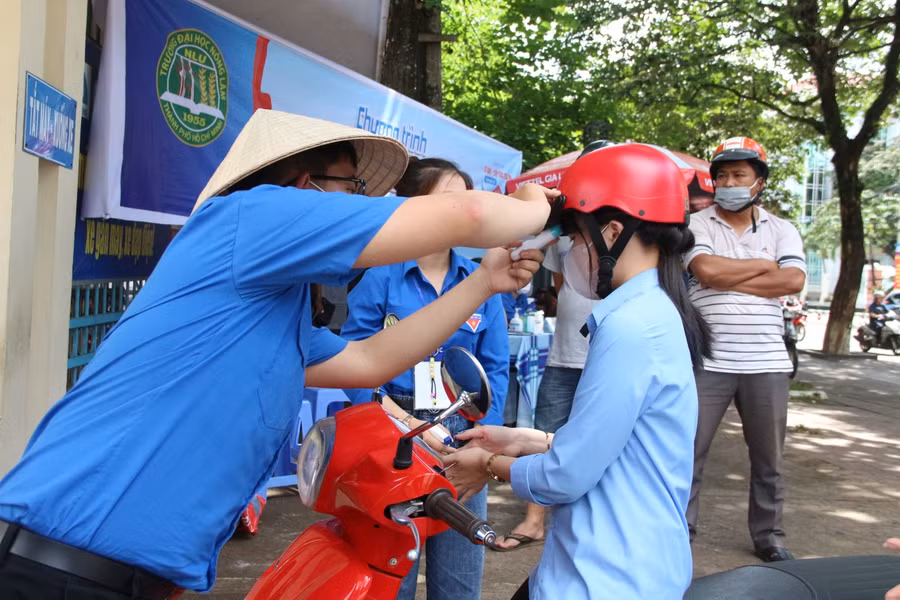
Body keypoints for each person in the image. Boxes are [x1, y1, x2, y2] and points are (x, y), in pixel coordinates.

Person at [0, 110, 554, 599]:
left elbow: (368, 362)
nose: (363, 205)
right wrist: (534, 201)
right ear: (303, 186)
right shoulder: (249, 216)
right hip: (54, 571)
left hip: (127, 576)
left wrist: (483, 283)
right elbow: (476, 218)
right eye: (354, 186)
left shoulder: (277, 303)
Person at [443, 143, 712, 599]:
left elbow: (567, 476)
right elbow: (623, 440)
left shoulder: (630, 327)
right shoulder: (655, 311)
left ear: (611, 232)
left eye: (573, 240)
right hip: (625, 561)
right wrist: (527, 440)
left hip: (604, 574)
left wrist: (488, 465)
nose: (566, 255)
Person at [341, 158, 509, 600]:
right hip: (394, 432)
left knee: (458, 573)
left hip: (460, 435)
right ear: (414, 205)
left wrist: (481, 437)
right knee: (391, 570)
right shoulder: (379, 276)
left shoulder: (482, 282)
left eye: (465, 199)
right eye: (447, 199)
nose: (460, 209)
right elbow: (354, 360)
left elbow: (494, 368)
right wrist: (392, 422)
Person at [684, 136, 806, 562]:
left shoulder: (782, 228)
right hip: (709, 359)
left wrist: (726, 275)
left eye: (739, 174)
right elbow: (705, 270)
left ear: (759, 182)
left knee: (769, 458)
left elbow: (793, 282)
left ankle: (770, 535)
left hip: (767, 361)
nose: (728, 182)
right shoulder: (696, 225)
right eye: (722, 175)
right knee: (688, 452)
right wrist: (764, 266)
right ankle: (680, 528)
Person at [492, 237, 598, 551]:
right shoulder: (561, 237)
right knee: (543, 432)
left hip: (603, 353)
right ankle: (534, 520)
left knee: (598, 437)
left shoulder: (619, 227)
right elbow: (562, 284)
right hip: (562, 353)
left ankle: (593, 523)